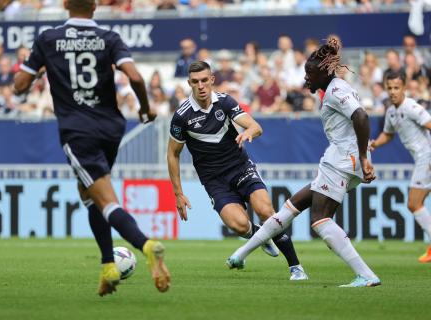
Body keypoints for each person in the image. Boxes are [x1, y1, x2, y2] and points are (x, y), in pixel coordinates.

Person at [14, 0, 170, 296]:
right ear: (95, 7)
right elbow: (135, 77)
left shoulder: (48, 39)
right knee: (89, 194)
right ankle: (108, 266)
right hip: (111, 128)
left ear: (64, 5)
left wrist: (36, 71)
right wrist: (146, 110)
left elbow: (19, 85)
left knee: (105, 200)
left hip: (78, 131)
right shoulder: (109, 38)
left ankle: (146, 245)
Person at [226, 38, 381, 288]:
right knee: (292, 206)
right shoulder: (335, 88)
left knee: (320, 219)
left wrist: (363, 157)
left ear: (325, 71)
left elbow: (361, 116)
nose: (307, 78)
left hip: (342, 160)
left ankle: (366, 275)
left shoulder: (335, 90)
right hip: (344, 158)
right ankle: (240, 255)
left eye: (310, 73)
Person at [167, 61, 308, 280]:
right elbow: (172, 154)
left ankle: (295, 267)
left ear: (212, 80)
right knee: (240, 226)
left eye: (205, 80)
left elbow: (255, 126)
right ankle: (261, 235)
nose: (201, 85)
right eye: (195, 82)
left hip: (240, 167)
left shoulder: (224, 102)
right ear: (189, 83)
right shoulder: (181, 116)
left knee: (265, 210)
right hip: (214, 180)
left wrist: (249, 131)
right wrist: (178, 193)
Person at [370, 70, 431, 263]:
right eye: (389, 88)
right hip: (421, 159)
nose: (393, 91)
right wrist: (373, 144)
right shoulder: (391, 112)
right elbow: (388, 134)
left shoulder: (412, 107)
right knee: (417, 203)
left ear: (404, 87)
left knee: (414, 203)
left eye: (397, 87)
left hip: (427, 157)